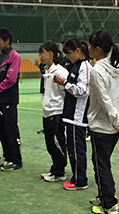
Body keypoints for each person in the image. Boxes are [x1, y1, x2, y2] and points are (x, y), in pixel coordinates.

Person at [87, 31, 119, 214]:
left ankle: (109, 203)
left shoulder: (97, 71)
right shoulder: (115, 67)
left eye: (90, 45)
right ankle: (103, 195)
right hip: (113, 127)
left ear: (97, 49)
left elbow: (105, 101)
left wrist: (118, 121)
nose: (87, 48)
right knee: (101, 162)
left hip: (102, 127)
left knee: (101, 165)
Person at [54, 37, 92, 190]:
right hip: (70, 114)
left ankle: (80, 181)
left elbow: (83, 91)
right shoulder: (74, 66)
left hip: (78, 116)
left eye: (69, 53)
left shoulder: (85, 67)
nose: (67, 57)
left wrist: (65, 83)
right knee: (72, 148)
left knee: (77, 149)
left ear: (78, 51)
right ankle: (76, 178)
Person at [0, 27, 22, 171]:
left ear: (7, 41)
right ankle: (7, 157)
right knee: (1, 130)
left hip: (9, 99)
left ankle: (16, 160)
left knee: (10, 130)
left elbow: (11, 79)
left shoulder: (14, 56)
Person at [38, 42, 69, 182]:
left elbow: (67, 91)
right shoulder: (47, 71)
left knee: (57, 143)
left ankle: (60, 171)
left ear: (50, 53)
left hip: (57, 112)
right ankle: (55, 168)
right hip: (47, 112)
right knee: (50, 143)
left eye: (42, 53)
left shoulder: (59, 71)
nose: (40, 56)